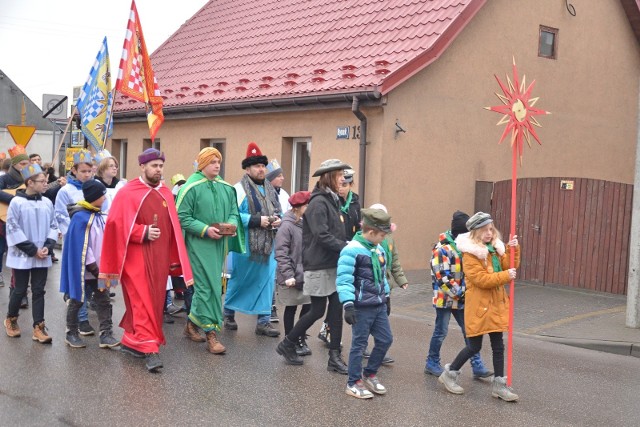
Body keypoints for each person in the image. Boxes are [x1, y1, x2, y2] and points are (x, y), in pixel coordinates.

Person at [98, 148, 193, 373]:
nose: (158, 170)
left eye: (161, 166)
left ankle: (132, 340)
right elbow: (115, 226)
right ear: (142, 167)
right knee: (142, 301)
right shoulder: (128, 192)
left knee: (154, 301)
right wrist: (140, 232)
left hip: (159, 260)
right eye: (154, 166)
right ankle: (150, 349)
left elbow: (173, 230)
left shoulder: (166, 193)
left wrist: (173, 259)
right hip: (134, 259)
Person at [276, 159, 350, 373]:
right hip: (318, 265)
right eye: (340, 175)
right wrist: (345, 246)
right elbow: (321, 235)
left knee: (335, 311)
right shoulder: (318, 203)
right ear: (329, 177)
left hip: (332, 263)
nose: (343, 179)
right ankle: (287, 343)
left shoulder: (331, 200)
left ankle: (334, 357)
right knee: (317, 311)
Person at [438, 212, 521, 402]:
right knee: (474, 346)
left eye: (491, 229)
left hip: (496, 305)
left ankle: (500, 385)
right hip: (479, 307)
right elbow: (481, 279)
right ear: (475, 233)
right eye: (484, 230)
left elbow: (509, 266)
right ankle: (450, 373)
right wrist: (506, 275)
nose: (489, 233)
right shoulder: (470, 254)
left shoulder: (494, 250)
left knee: (498, 346)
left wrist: (512, 249)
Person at [177, 147, 243, 354]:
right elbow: (182, 217)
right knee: (208, 288)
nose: (217, 165)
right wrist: (205, 230)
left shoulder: (226, 187)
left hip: (219, 245)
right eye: (212, 162)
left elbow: (234, 212)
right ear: (202, 164)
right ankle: (211, 333)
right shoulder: (190, 187)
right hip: (198, 244)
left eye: (218, 162)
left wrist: (230, 227)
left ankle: (191, 324)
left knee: (211, 285)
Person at [424, 211, 492, 378]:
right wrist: (461, 294)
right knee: (441, 331)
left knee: (470, 332)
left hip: (463, 298)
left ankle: (477, 365)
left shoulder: (467, 247)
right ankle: (431, 362)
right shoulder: (442, 249)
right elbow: (442, 278)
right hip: (446, 299)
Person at [223, 142, 281, 337]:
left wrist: (277, 219)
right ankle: (229, 313)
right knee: (241, 280)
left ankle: (263, 321)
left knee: (266, 281)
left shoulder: (270, 189)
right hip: (246, 244)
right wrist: (257, 220)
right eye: (257, 166)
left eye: (263, 166)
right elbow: (233, 216)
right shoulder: (237, 189)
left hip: (268, 244)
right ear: (247, 169)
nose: (261, 169)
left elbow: (277, 209)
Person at [337, 208, 393, 399]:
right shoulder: (351, 250)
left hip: (378, 305)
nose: (384, 238)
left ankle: (369, 374)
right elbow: (344, 279)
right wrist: (348, 304)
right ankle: (353, 382)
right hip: (361, 306)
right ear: (371, 232)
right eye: (382, 235)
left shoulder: (377, 249)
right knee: (359, 345)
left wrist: (386, 296)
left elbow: (382, 276)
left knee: (386, 339)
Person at [59, 180, 119, 349]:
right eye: (102, 194)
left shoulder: (101, 215)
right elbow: (82, 247)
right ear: (95, 197)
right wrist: (94, 268)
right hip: (86, 270)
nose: (105, 197)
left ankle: (106, 334)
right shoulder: (79, 217)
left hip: (102, 269)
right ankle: (71, 333)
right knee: (77, 300)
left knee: (104, 301)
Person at [3, 163, 58, 343]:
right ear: (30, 182)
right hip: (23, 255)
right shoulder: (17, 203)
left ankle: (39, 327)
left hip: (42, 254)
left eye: (45, 181)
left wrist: (47, 247)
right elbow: (12, 228)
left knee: (38, 291)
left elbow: (53, 225)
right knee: (19, 290)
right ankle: (11, 319)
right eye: (41, 181)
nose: (45, 184)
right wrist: (32, 250)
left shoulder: (47, 202)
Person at [55, 149, 97, 336]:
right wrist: (73, 234)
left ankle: (82, 306)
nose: (87, 175)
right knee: (78, 278)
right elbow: (61, 216)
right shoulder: (66, 191)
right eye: (83, 171)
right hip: (75, 241)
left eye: (89, 171)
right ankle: (81, 319)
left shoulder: (95, 188)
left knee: (89, 280)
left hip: (93, 240)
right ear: (74, 171)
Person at [318, 168, 360, 345]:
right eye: (340, 184)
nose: (342, 188)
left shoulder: (355, 202)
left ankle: (328, 329)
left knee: (341, 295)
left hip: (350, 252)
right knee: (335, 296)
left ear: (351, 185)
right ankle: (328, 330)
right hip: (335, 251)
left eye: (345, 185)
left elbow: (358, 226)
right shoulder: (332, 202)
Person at [361, 203, 408, 364]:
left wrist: (401, 280)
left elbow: (394, 260)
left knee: (382, 316)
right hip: (371, 285)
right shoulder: (367, 239)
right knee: (369, 318)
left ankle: (378, 349)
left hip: (386, 286)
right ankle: (363, 346)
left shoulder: (389, 239)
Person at [275, 190, 312, 356]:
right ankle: (290, 340)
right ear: (298, 207)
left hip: (306, 274)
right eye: (307, 205)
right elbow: (281, 252)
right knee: (290, 309)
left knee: (310, 307)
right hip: (290, 275)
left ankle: (300, 336)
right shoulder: (286, 225)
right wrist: (289, 275)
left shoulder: (306, 223)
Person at [0, 146, 31, 290]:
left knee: (19, 251)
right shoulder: (5, 178)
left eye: (27, 164)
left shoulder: (31, 179)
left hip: (23, 220)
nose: (25, 167)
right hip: (4, 218)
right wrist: (15, 199)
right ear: (14, 164)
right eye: (22, 164)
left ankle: (18, 287)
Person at [266, 158, 290, 323]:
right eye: (279, 175)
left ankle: (271, 305)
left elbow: (288, 213)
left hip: (279, 238)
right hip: (263, 238)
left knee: (274, 273)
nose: (282, 178)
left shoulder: (285, 194)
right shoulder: (263, 192)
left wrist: (282, 220)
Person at [94, 150, 126, 215]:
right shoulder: (94, 185)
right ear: (102, 168)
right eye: (111, 166)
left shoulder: (121, 185)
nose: (114, 168)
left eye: (115, 166)